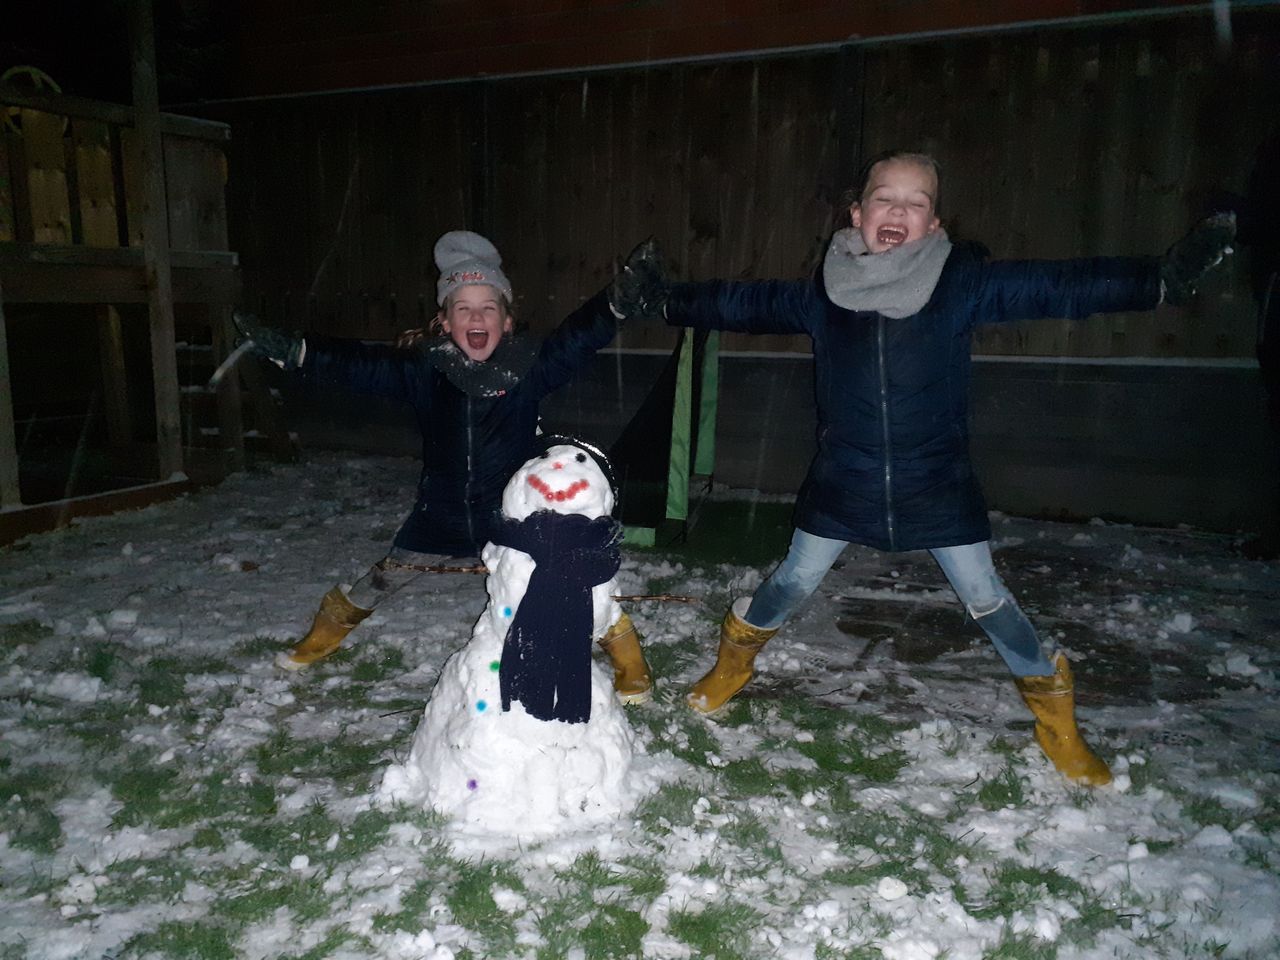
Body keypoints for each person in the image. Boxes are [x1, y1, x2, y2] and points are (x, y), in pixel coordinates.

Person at [663, 150, 1235, 786]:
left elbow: (1060, 286)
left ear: (933, 224)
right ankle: (733, 666)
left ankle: (1056, 724)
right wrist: (662, 299)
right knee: (793, 580)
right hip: (844, 480)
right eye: (885, 197)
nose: (898, 210)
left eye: (917, 202)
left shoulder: (960, 284)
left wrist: (1160, 280)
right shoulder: (825, 294)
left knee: (986, 598)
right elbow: (740, 302)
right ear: (857, 214)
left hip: (936, 481)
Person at [236, 231, 667, 705]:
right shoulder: (426, 371)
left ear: (506, 320)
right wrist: (295, 349)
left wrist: (618, 302)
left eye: (488, 308)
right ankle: (321, 639)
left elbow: (577, 339)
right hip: (438, 518)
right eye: (463, 308)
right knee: (382, 579)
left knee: (568, 577)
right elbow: (358, 365)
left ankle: (630, 661)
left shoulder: (529, 369)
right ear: (444, 321)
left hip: (508, 520)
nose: (476, 317)